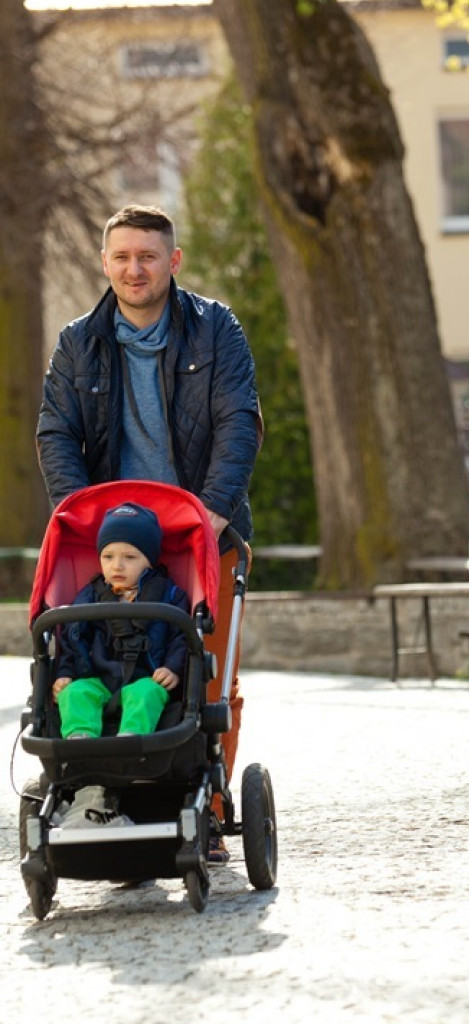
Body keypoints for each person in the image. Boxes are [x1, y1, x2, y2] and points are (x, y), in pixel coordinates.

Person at [37, 204, 263, 862]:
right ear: (105, 263)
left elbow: (238, 422)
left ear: (173, 261)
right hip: (110, 543)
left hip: (203, 536)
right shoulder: (78, 341)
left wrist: (213, 511)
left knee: (209, 676)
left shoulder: (215, 329)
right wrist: (82, 518)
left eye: (148, 256)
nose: (135, 268)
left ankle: (209, 806)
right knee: (102, 668)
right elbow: (56, 432)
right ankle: (116, 794)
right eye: (122, 256)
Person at [54, 502, 189, 739]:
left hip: (147, 677)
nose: (117, 565)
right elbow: (72, 639)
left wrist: (173, 668)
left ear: (150, 560)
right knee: (75, 693)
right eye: (108, 556)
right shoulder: (90, 596)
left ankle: (131, 735)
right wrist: (65, 673)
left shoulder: (170, 595)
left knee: (147, 693)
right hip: (97, 678)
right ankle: (79, 738)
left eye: (129, 557)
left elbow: (181, 637)